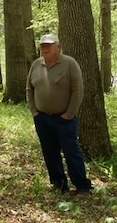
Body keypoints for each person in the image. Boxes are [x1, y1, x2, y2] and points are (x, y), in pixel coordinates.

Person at [26, 33, 93, 195]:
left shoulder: (69, 63)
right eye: (42, 46)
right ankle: (59, 184)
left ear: (58, 46)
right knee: (49, 151)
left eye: (49, 45)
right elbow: (29, 88)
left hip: (64, 119)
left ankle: (82, 185)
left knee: (71, 151)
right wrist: (34, 111)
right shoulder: (36, 64)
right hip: (42, 118)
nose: (45, 48)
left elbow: (78, 90)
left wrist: (69, 114)